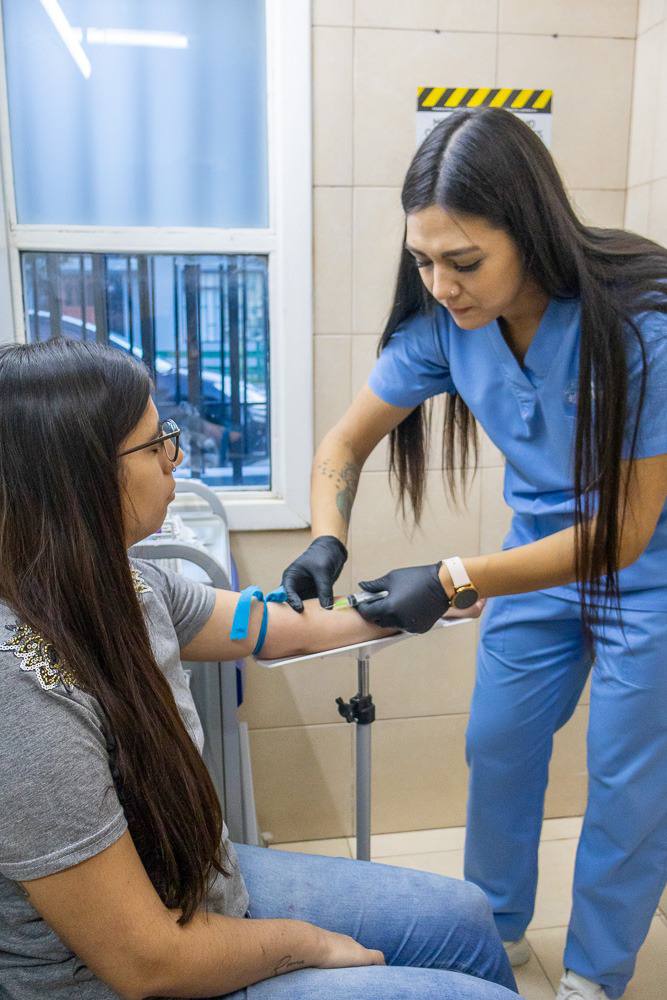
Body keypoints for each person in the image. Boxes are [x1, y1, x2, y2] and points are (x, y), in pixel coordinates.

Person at [281, 108, 667, 1000]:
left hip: (647, 580)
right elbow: (342, 446)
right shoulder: (447, 327)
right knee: (495, 745)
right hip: (535, 564)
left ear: (529, 233)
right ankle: (493, 933)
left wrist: (457, 577)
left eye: (463, 262)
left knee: (623, 784)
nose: (440, 285)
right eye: (423, 260)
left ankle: (593, 977)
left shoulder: (641, 323)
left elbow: (624, 536)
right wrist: (325, 536)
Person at [0, 337, 518, 1000]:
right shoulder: (22, 694)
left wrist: (425, 600)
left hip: (196, 882)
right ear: (80, 477)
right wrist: (304, 944)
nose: (175, 457)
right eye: (157, 443)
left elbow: (277, 629)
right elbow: (146, 963)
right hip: (125, 974)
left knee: (467, 918)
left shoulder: (127, 584)